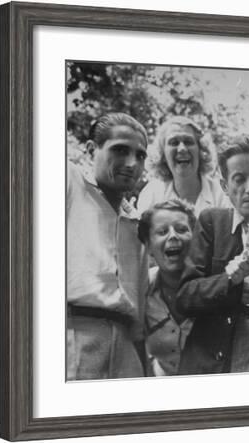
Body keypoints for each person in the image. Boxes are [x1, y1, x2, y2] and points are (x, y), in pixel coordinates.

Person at [176, 135, 249, 375]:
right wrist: (229, 278)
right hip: (211, 354)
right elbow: (185, 297)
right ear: (225, 186)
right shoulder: (212, 222)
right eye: (239, 179)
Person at [66, 112, 150, 380]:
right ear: (92, 149)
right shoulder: (71, 184)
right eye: (120, 150)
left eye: (140, 155)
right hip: (76, 335)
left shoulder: (138, 223)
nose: (131, 163)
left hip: (126, 347)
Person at [138, 200, 196, 376]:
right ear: (148, 246)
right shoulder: (141, 288)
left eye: (181, 229)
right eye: (162, 231)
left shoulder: (215, 284)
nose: (173, 236)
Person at [137, 116, 229, 217]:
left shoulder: (221, 194)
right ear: (162, 154)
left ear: (201, 150)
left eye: (188, 142)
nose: (182, 148)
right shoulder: (152, 194)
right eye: (174, 143)